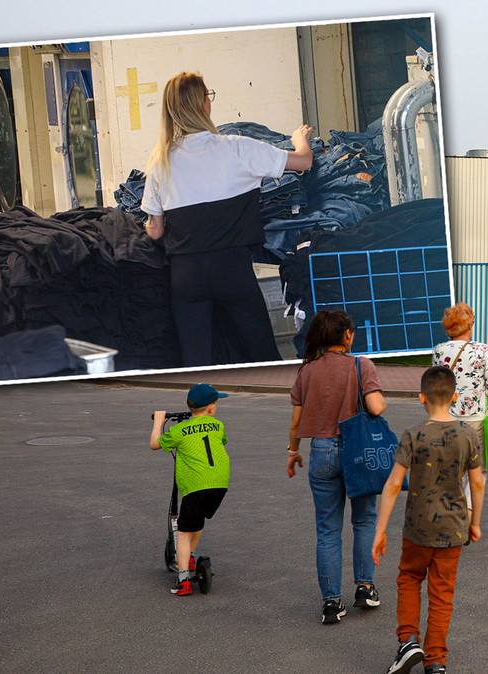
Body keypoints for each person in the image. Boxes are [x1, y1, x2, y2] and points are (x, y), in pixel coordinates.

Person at [142, 71, 314, 367]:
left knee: (197, 366)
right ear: (204, 105)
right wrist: (299, 139)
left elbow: (155, 232)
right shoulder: (237, 148)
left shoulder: (161, 162)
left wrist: (151, 222)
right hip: (233, 271)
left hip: (186, 276)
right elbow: (304, 162)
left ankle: (202, 413)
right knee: (263, 359)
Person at [372, 366, 484, 674]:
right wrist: (475, 522)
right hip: (454, 528)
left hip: (418, 528)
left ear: (422, 398)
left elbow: (394, 484)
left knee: (409, 578)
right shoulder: (468, 435)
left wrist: (380, 530)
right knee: (442, 592)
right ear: (455, 397)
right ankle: (436, 660)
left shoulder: (413, 435)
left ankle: (409, 640)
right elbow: (477, 483)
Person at [288, 309, 385, 624]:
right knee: (364, 521)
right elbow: (376, 406)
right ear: (347, 335)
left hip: (321, 451)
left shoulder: (307, 370)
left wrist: (293, 451)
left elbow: (296, 420)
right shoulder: (361, 365)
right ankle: (365, 587)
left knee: (327, 530)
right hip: (357, 451)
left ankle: (331, 602)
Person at [150, 383, 231, 596]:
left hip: (195, 485)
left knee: (184, 532)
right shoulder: (218, 425)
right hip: (220, 484)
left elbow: (155, 444)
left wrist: (159, 422)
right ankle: (190, 556)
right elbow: (218, 441)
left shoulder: (178, 430)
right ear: (211, 408)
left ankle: (184, 579)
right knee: (198, 519)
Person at [431, 303, 488, 499]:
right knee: (478, 470)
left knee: (454, 469)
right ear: (469, 325)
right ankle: (470, 511)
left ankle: (454, 509)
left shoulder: (439, 351)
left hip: (448, 418)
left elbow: (434, 381)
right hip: (476, 419)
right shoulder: (482, 349)